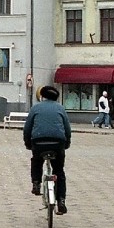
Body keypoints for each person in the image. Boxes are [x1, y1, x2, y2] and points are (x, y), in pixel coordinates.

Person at [23, 85, 72, 215]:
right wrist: (66, 144)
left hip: (39, 143)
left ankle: (36, 183)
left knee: (36, 161)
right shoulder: (60, 108)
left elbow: (27, 128)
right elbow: (67, 129)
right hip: (57, 144)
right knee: (59, 172)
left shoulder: (35, 108)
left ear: (42, 96)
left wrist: (28, 143)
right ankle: (61, 200)